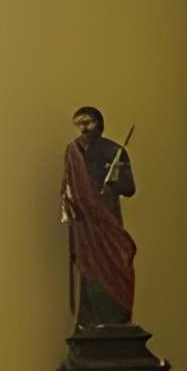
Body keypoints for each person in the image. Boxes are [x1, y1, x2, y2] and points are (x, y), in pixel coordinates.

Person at [59, 105, 136, 328]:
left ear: (99, 124)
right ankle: (91, 319)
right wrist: (69, 205)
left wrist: (113, 181)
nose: (84, 129)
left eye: (88, 123)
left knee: (115, 263)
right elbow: (67, 188)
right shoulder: (73, 152)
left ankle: (115, 316)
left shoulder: (115, 151)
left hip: (108, 221)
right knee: (89, 268)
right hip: (85, 225)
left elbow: (129, 188)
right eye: (80, 124)